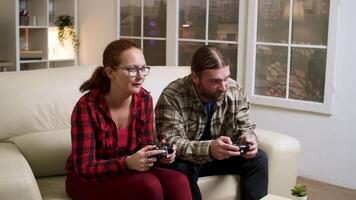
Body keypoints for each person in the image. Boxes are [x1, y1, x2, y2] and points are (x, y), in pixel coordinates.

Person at [65, 39, 192, 200]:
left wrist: (159, 154)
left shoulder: (144, 99)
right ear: (110, 72)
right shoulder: (87, 108)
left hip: (129, 169)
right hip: (87, 179)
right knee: (149, 186)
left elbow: (145, 142)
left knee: (179, 181)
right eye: (132, 69)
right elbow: (85, 167)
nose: (140, 76)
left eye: (143, 69)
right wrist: (126, 163)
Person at [155, 45, 268, 200]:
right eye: (215, 81)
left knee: (258, 158)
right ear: (195, 77)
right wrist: (209, 149)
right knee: (177, 167)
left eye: (226, 78)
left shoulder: (234, 90)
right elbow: (171, 141)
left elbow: (245, 127)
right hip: (188, 160)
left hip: (221, 157)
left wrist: (249, 138)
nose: (223, 87)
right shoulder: (173, 95)